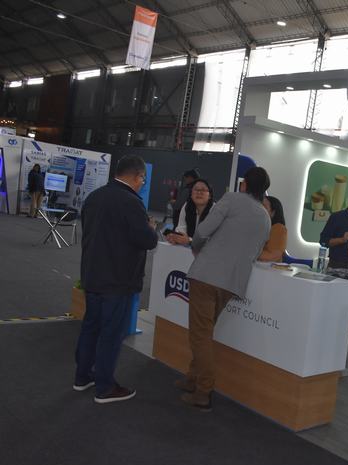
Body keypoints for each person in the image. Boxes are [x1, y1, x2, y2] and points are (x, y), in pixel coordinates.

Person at [176, 166, 271, 411]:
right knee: (204, 332)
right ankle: (192, 379)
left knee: (200, 335)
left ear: (244, 184)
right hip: (231, 283)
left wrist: (196, 247)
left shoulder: (232, 199)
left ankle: (203, 391)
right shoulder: (265, 217)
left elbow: (203, 231)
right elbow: (256, 253)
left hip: (207, 275)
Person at [73, 155, 158, 404]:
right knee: (111, 333)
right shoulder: (131, 202)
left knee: (91, 327)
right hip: (117, 279)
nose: (142, 183)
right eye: (142, 179)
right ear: (137, 176)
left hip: (92, 275)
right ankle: (105, 387)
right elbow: (146, 240)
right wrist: (151, 229)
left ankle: (82, 376)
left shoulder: (95, 197)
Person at [167, 179, 214, 246]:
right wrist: (176, 238)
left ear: (210, 195)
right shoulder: (187, 207)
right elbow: (181, 229)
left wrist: (189, 241)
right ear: (191, 194)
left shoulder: (215, 210)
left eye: (203, 190)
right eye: (196, 189)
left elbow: (213, 240)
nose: (199, 192)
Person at [258, 195, 287, 262]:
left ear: (273, 212)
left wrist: (248, 252)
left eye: (264, 206)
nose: (260, 209)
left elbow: (272, 256)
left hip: (266, 267)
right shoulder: (259, 227)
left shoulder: (279, 228)